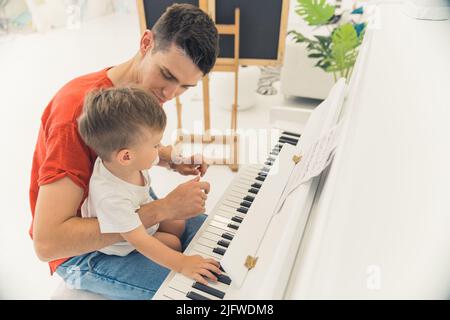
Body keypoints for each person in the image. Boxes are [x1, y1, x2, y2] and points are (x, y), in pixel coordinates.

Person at [29, 4, 219, 299]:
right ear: (146, 43)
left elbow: (122, 150)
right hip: (84, 253)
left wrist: (169, 158)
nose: (170, 94)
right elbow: (48, 243)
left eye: (185, 86)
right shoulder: (73, 115)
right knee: (201, 292)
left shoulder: (138, 92)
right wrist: (163, 208)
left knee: (219, 243)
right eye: (167, 75)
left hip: (125, 206)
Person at [77, 87, 221, 299]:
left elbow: (159, 156)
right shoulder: (110, 197)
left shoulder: (125, 159)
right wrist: (183, 264)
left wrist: (180, 159)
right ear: (126, 156)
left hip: (137, 216)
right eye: (156, 145)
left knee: (179, 223)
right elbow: (140, 241)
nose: (159, 150)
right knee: (173, 244)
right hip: (123, 243)